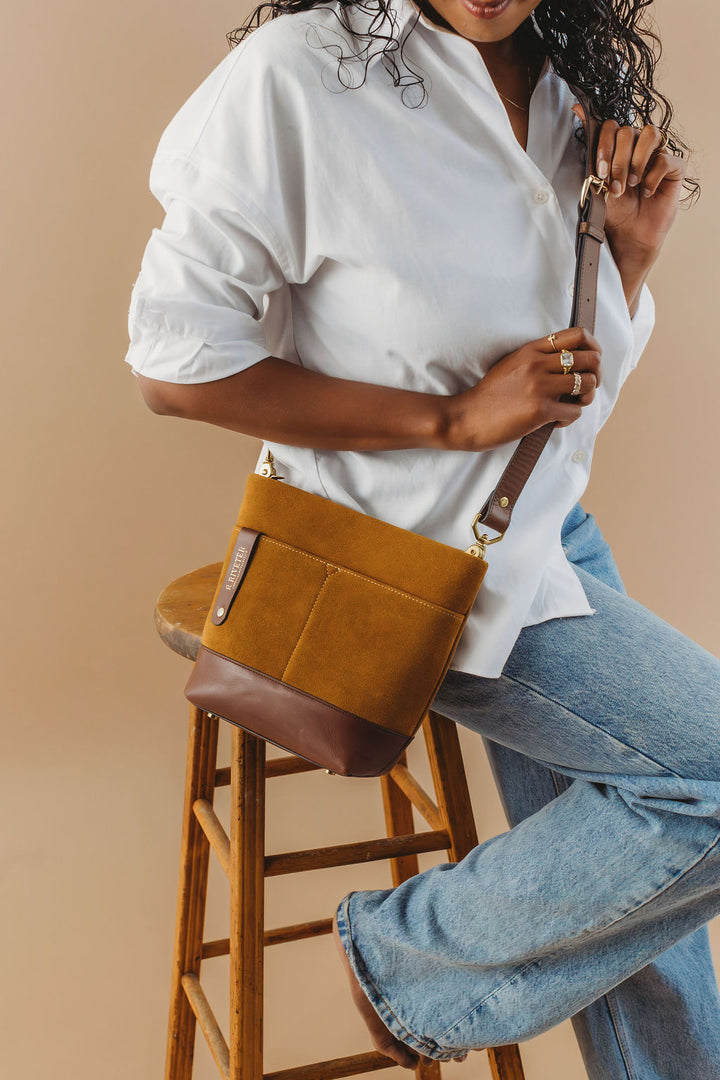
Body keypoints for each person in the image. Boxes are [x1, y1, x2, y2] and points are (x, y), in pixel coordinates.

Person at [123, 0, 720, 1075]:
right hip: (396, 558)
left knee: (628, 889)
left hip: (544, 531)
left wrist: (624, 264)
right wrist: (448, 420)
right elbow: (175, 363)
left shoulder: (560, 88)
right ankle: (407, 962)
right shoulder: (299, 78)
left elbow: (563, 395)